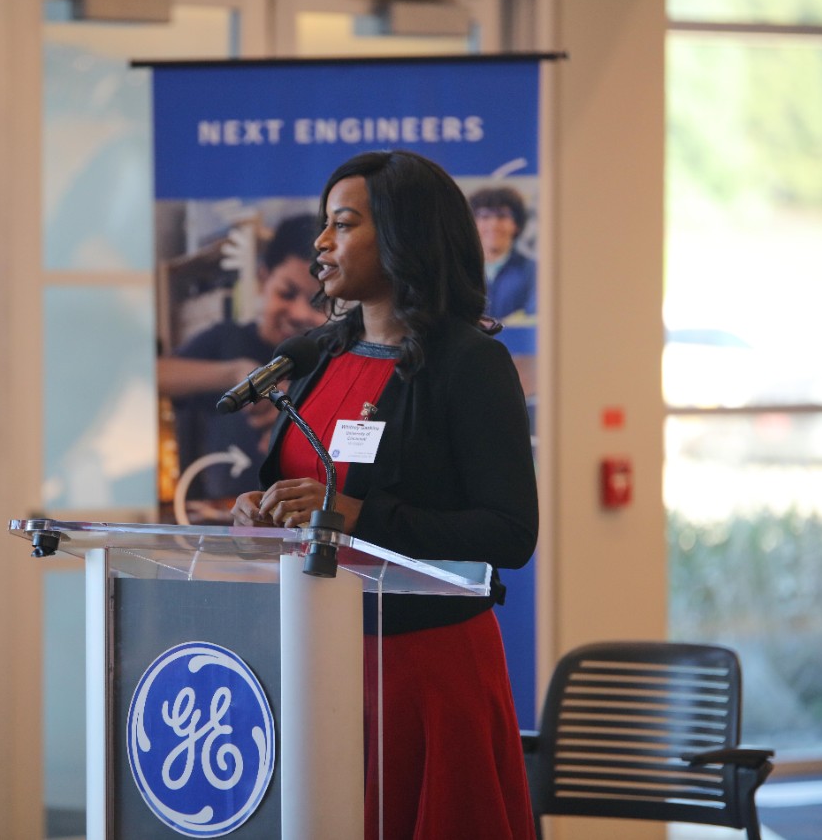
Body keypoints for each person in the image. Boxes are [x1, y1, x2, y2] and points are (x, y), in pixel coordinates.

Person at [232, 151, 538, 839]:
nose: (321, 242)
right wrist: (261, 516)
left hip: (424, 674)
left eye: (342, 224)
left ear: (403, 235)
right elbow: (294, 488)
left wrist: (360, 519)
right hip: (318, 656)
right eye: (324, 224)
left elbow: (510, 533)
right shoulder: (319, 355)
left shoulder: (470, 363)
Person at [160, 213, 325, 500]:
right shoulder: (227, 340)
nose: (299, 313)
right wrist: (236, 374)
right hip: (224, 512)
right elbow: (156, 374)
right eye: (286, 293)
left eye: (317, 302)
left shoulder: (332, 359)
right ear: (264, 279)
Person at [470, 184, 536, 319]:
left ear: (516, 224)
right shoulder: (458, 270)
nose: (493, 224)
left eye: (502, 216)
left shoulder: (533, 271)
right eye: (484, 216)